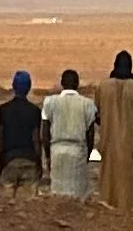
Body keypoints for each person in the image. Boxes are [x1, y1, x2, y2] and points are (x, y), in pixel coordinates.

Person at [95, 50, 133, 213]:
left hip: (109, 145)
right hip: (132, 147)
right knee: (131, 190)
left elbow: (98, 117)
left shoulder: (102, 88)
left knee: (109, 187)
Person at [40, 69, 98, 199]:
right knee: (78, 195)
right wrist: (87, 155)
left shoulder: (50, 102)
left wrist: (48, 155)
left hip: (56, 151)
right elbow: (90, 135)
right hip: (78, 152)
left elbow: (45, 133)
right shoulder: (87, 104)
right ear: (77, 84)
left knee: (58, 195)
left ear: (62, 83)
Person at [0, 70, 44, 193]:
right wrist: (39, 163)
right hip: (29, 160)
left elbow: (0, 138)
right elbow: (36, 140)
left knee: (8, 202)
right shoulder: (34, 110)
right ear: (29, 87)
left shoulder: (4, 110)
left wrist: (1, 161)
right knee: (29, 202)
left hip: (9, 160)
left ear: (13, 86)